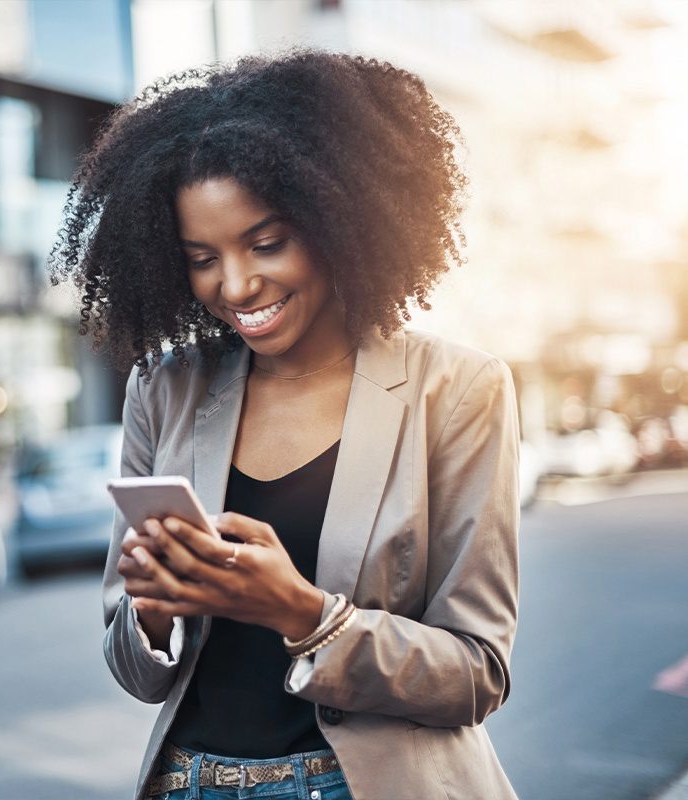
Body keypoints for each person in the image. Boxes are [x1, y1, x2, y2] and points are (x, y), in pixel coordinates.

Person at [50, 49, 520, 800]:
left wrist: (303, 613)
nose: (236, 285)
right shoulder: (164, 389)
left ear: (340, 217)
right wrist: (153, 609)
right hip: (190, 784)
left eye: (267, 244)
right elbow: (137, 673)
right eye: (202, 258)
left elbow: (476, 674)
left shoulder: (456, 391)